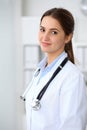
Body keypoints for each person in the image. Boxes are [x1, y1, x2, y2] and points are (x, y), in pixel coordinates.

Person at [21, 8, 87, 130]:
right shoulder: (40, 71)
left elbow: (73, 126)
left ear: (67, 37)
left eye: (54, 32)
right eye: (42, 30)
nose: (44, 37)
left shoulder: (72, 77)